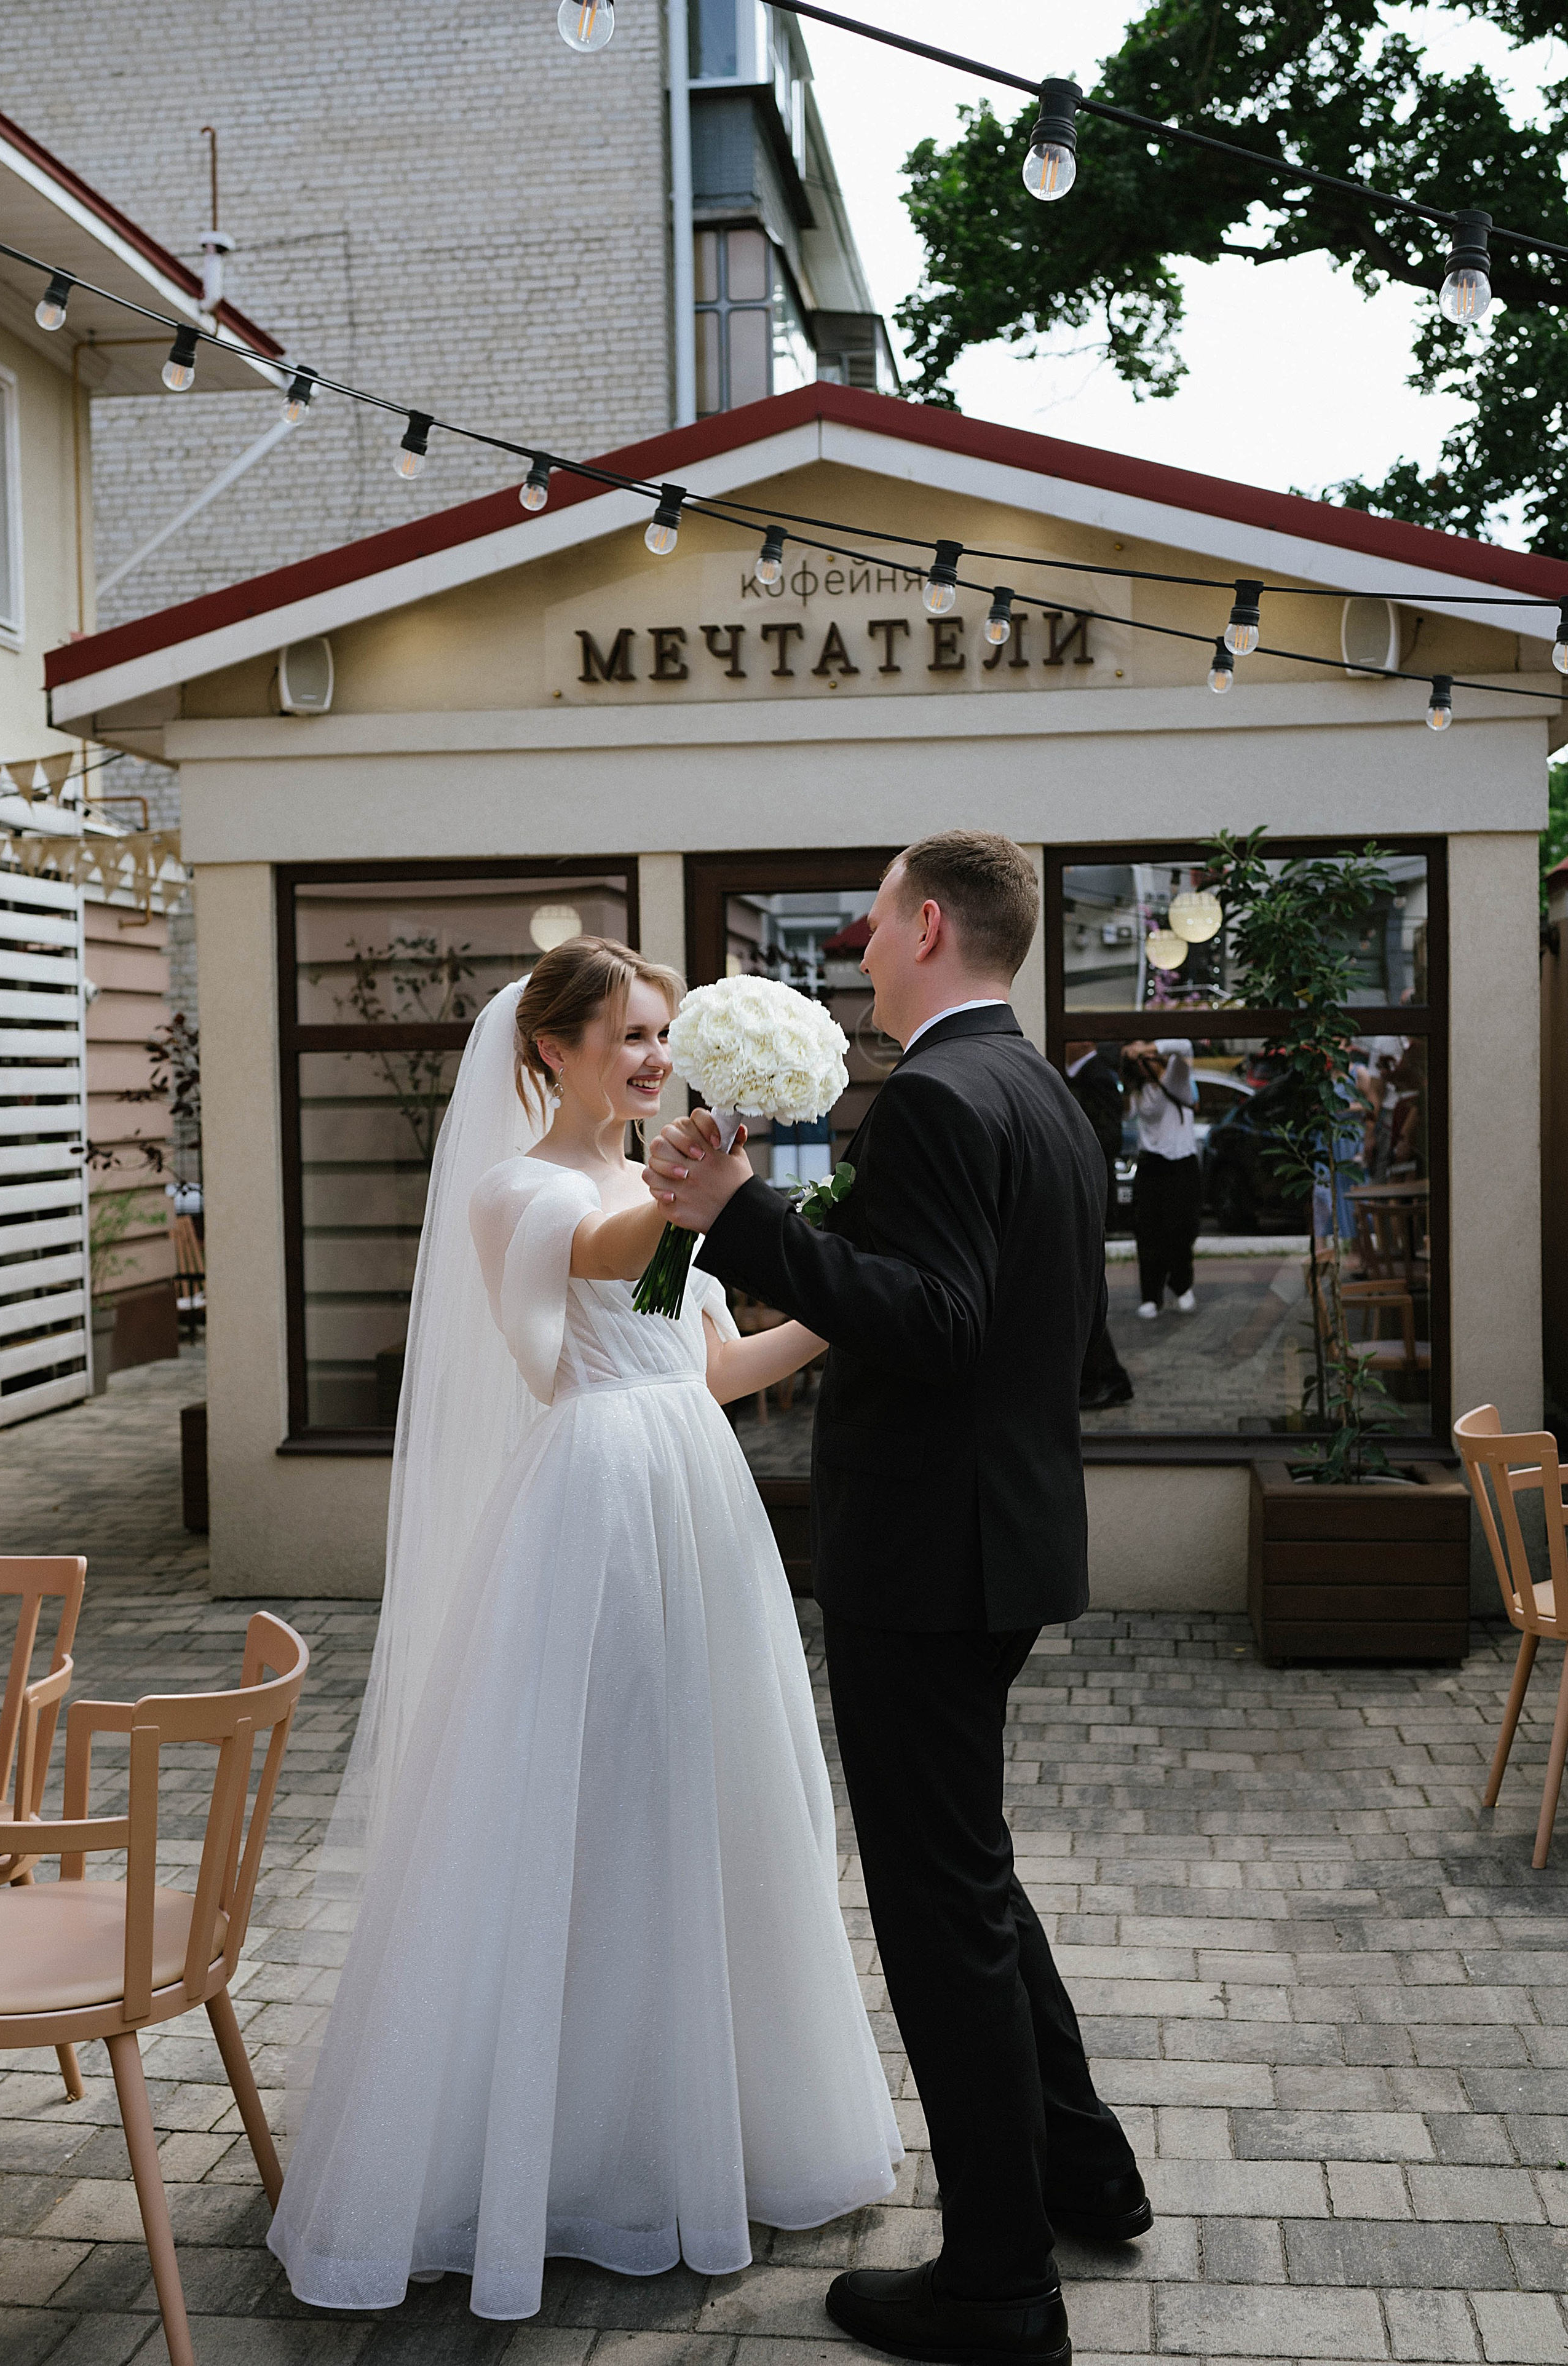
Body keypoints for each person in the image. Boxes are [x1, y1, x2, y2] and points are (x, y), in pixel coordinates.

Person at [267, 940, 901, 2322]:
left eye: (667, 1032)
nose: (654, 1054)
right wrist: (716, 1166)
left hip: (695, 1495)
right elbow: (623, 1257)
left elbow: (715, 1361)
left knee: (708, 1797)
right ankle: (552, 2154)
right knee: (592, 1806)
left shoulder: (657, 1180)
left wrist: (852, 1305)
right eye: (628, 1034)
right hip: (600, 1501)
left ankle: (697, 2122)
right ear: (548, 1051)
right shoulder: (522, 1189)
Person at [648, 834, 1149, 2366]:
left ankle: (996, 2279)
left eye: (874, 913)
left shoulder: (936, 1093)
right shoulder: (1041, 1090)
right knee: (970, 1879)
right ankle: (1081, 2169)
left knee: (940, 1915)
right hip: (996, 1541)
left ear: (928, 922)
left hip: (925, 1558)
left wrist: (739, 1214)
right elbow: (1058, 1339)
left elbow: (933, 1321)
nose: (858, 939)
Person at [1064, 1040, 1134, 1410]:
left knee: (1085, 1291)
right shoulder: (1076, 1076)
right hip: (1078, 1192)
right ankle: (1100, 1377)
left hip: (1089, 1193)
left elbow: (1109, 1137)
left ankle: (1108, 1378)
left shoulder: (1098, 1078)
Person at [1123, 1036, 1201, 1318]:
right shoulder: (1139, 1092)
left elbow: (1186, 1048)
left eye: (1149, 1057)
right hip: (1151, 1163)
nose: (1144, 1064)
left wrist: (1147, 1048)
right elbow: (1125, 1112)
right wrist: (1127, 1069)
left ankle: (1182, 1285)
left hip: (1181, 1162)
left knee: (1182, 1229)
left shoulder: (1176, 1080)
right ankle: (1151, 1296)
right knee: (1148, 1231)